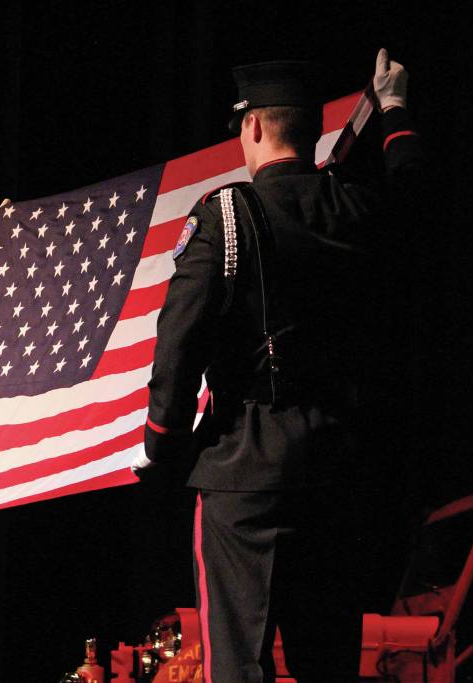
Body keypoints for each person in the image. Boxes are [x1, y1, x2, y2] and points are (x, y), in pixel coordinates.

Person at [134, 49, 425, 682]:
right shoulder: (354, 209)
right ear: (309, 131)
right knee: (329, 665)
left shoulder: (226, 217)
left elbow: (178, 339)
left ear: (255, 127)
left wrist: (162, 444)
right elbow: (412, 199)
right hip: (335, 471)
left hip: (243, 475)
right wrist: (396, 112)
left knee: (238, 664)